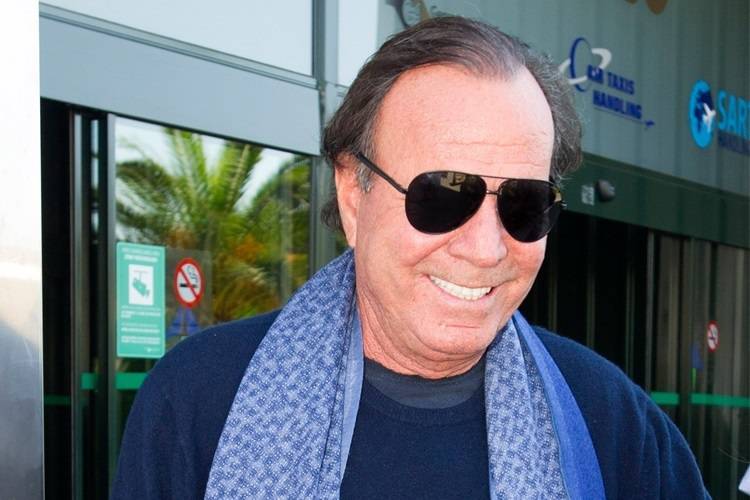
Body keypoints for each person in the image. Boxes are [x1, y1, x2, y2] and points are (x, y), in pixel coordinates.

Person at [113, 16, 708, 499]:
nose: (485, 248)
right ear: (354, 193)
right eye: (444, 195)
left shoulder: (609, 421)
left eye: (524, 203)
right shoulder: (199, 401)